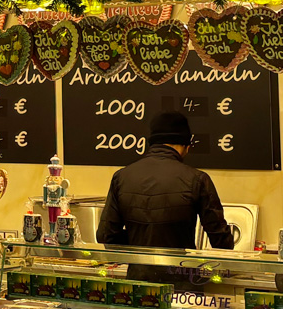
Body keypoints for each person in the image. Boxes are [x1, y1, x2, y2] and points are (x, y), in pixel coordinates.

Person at [97, 111, 234, 274]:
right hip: (183, 283)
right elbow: (221, 241)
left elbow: (106, 236)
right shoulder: (197, 179)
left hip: (139, 281)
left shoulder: (121, 177)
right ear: (185, 144)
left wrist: (138, 240)